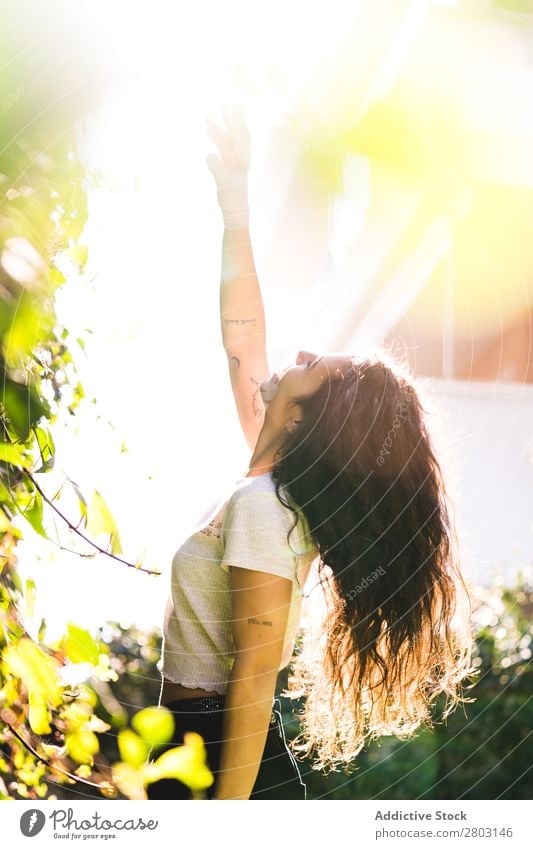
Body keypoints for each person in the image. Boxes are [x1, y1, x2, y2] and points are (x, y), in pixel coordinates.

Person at [145, 105, 474, 801]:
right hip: (196, 745)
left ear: (303, 418)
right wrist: (234, 204)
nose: (294, 352)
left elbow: (253, 685)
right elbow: (240, 337)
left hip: (222, 763)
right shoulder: (263, 482)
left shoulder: (265, 510)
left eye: (312, 363)